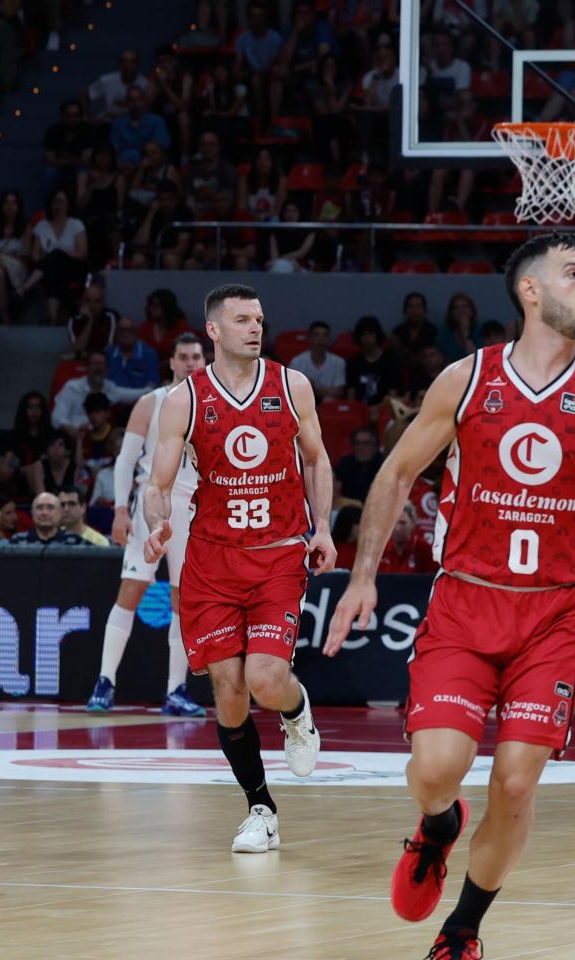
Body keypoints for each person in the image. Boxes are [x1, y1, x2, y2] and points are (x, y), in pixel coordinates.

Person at [322, 235, 575, 960]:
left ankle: (462, 929)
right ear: (531, 291)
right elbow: (395, 474)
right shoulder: (467, 378)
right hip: (466, 602)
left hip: (555, 613)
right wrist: (362, 577)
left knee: (515, 783)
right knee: (435, 772)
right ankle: (439, 826)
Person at [143, 283, 334, 854]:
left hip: (277, 553)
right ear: (214, 330)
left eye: (259, 319)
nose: (256, 328)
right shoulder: (185, 399)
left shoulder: (291, 385)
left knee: (265, 681)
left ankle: (297, 713)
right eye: (243, 320)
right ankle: (261, 809)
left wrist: (323, 527)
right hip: (211, 560)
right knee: (228, 690)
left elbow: (316, 459)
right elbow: (157, 485)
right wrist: (156, 524)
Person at [86, 333, 209, 717]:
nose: (190, 362)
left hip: (194, 510)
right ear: (171, 362)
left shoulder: (215, 404)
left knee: (184, 599)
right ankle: (105, 681)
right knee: (132, 587)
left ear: (204, 361)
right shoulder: (150, 402)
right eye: (183, 356)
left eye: (196, 356)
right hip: (150, 504)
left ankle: (176, 690)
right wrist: (121, 509)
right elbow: (125, 461)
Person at [287, 320, 347, 401]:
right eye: (316, 335)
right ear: (309, 339)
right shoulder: (297, 362)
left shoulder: (338, 362)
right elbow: (290, 390)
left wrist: (313, 388)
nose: (320, 339)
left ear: (329, 340)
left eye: (325, 335)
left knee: (329, 400)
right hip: (303, 402)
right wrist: (325, 390)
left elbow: (339, 392)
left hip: (328, 403)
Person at [9, 492, 86, 546]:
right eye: (39, 507)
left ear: (60, 513)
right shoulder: (17, 541)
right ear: (32, 512)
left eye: (50, 507)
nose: (44, 512)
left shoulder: (76, 542)